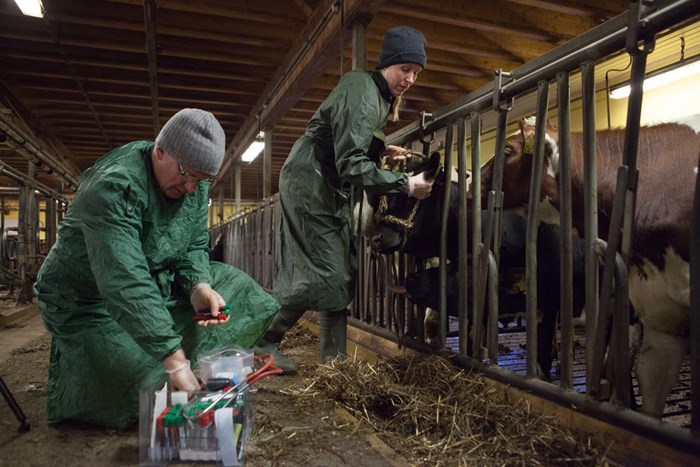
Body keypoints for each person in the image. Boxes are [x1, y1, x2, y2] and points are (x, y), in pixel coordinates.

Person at [33, 108, 280, 428]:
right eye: (186, 174)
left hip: (154, 280)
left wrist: (198, 287)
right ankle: (158, 362)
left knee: (242, 290)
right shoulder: (114, 188)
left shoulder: (193, 182)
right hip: (87, 300)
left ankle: (171, 359)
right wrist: (174, 361)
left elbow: (192, 243)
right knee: (136, 384)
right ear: (159, 151)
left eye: (201, 180)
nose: (192, 187)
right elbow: (125, 281)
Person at [254, 26, 434, 373]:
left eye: (416, 72)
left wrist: (379, 149)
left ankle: (331, 364)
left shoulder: (373, 93)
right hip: (313, 182)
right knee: (328, 271)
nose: (410, 79)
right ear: (388, 63)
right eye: (405, 69)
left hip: (323, 183)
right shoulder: (365, 93)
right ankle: (266, 347)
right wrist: (407, 185)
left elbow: (349, 139)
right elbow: (350, 163)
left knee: (342, 269)